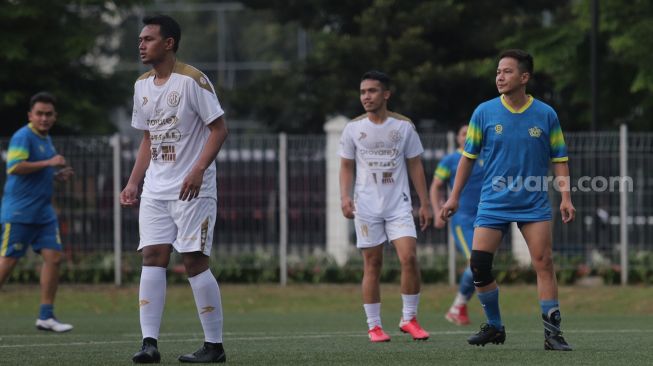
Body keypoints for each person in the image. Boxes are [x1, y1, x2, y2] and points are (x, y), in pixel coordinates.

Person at [440, 49, 575, 351]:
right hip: (493, 203)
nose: (499, 76)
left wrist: (566, 197)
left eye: (507, 71)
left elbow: (560, 159)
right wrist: (454, 197)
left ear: (524, 77)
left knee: (544, 262)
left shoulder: (546, 114)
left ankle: (552, 334)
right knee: (479, 265)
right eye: (498, 71)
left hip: (533, 202)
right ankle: (495, 326)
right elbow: (467, 159)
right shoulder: (484, 112)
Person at [121, 15, 229, 363]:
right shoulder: (141, 85)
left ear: (168, 43)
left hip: (192, 189)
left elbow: (219, 130)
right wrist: (134, 181)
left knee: (194, 260)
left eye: (149, 39)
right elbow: (148, 138)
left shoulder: (192, 80)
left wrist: (198, 170)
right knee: (152, 257)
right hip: (156, 188)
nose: (141, 44)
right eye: (140, 39)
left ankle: (214, 346)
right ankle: (149, 343)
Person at [340, 70, 432, 343]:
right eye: (362, 92)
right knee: (373, 264)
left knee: (409, 257)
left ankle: (409, 319)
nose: (366, 97)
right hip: (366, 207)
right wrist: (344, 197)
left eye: (372, 91)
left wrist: (425, 202)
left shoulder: (403, 127)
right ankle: (374, 326)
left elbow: (415, 165)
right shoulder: (353, 128)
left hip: (398, 206)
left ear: (386, 94)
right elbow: (346, 166)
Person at [0, 92, 75, 333]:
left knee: (54, 258)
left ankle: (46, 316)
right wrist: (49, 163)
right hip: (20, 212)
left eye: (48, 114)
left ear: (55, 116)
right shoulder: (23, 136)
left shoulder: (46, 139)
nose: (44, 118)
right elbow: (15, 167)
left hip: (43, 213)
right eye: (39, 113)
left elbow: (38, 172)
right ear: (30, 115)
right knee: (8, 263)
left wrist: (56, 176)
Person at [430, 124, 484, 326]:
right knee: (477, 262)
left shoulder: (485, 158)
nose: (467, 136)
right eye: (463, 133)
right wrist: (437, 212)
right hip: (464, 221)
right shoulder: (451, 160)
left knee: (482, 265)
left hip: (486, 221)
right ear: (459, 139)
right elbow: (435, 186)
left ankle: (458, 308)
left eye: (471, 132)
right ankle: (457, 307)